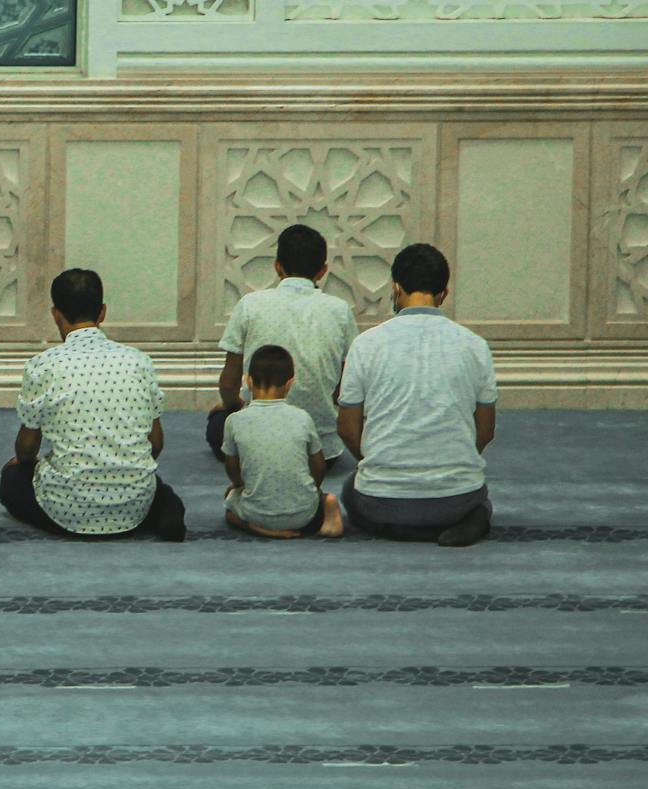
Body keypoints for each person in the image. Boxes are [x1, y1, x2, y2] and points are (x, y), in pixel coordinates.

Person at [1, 269, 186, 541]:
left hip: (67, 509)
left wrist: (22, 464)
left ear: (55, 314)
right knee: (160, 490)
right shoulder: (138, 362)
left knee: (11, 481)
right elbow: (155, 443)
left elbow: (27, 448)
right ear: (102, 313)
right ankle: (161, 511)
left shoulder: (43, 366)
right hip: (134, 504)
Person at [336, 243, 497, 547]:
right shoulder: (475, 346)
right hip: (457, 498)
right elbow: (485, 431)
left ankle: (402, 530)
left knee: (350, 491)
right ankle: (467, 520)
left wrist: (377, 459)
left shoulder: (366, 345)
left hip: (382, 500)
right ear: (444, 294)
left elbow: (346, 428)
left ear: (395, 288)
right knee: (480, 500)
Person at [208, 224, 359, 467]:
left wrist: (234, 405)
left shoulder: (249, 305)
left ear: (277, 266)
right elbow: (344, 389)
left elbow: (228, 383)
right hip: (320, 451)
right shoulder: (340, 311)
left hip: (254, 448)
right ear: (322, 271)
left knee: (216, 423)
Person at [222, 344, 344, 539]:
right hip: (304, 514)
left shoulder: (234, 420)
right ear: (290, 384)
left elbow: (232, 468)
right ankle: (326, 505)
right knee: (311, 497)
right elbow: (319, 467)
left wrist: (238, 485)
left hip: (257, 513)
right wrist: (313, 491)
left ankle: (260, 529)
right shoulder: (302, 418)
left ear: (249, 381)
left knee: (229, 507)